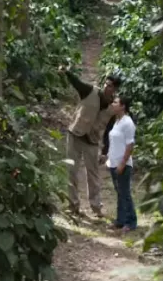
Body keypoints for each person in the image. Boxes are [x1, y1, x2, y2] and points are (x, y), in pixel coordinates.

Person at [59, 65, 121, 217]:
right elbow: (76, 82)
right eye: (106, 84)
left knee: (92, 175)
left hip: (92, 141)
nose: (107, 87)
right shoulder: (89, 91)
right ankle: (73, 205)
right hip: (75, 134)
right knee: (71, 171)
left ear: (115, 89)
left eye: (110, 86)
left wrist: (105, 152)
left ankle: (96, 207)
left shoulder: (113, 108)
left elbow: (109, 131)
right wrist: (66, 72)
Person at [106, 95, 137, 233]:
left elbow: (130, 145)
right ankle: (120, 220)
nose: (113, 104)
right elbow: (115, 142)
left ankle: (130, 222)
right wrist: (106, 157)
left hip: (122, 164)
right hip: (113, 163)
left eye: (115, 102)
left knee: (124, 193)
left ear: (123, 106)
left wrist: (123, 163)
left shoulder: (127, 123)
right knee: (119, 192)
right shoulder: (117, 121)